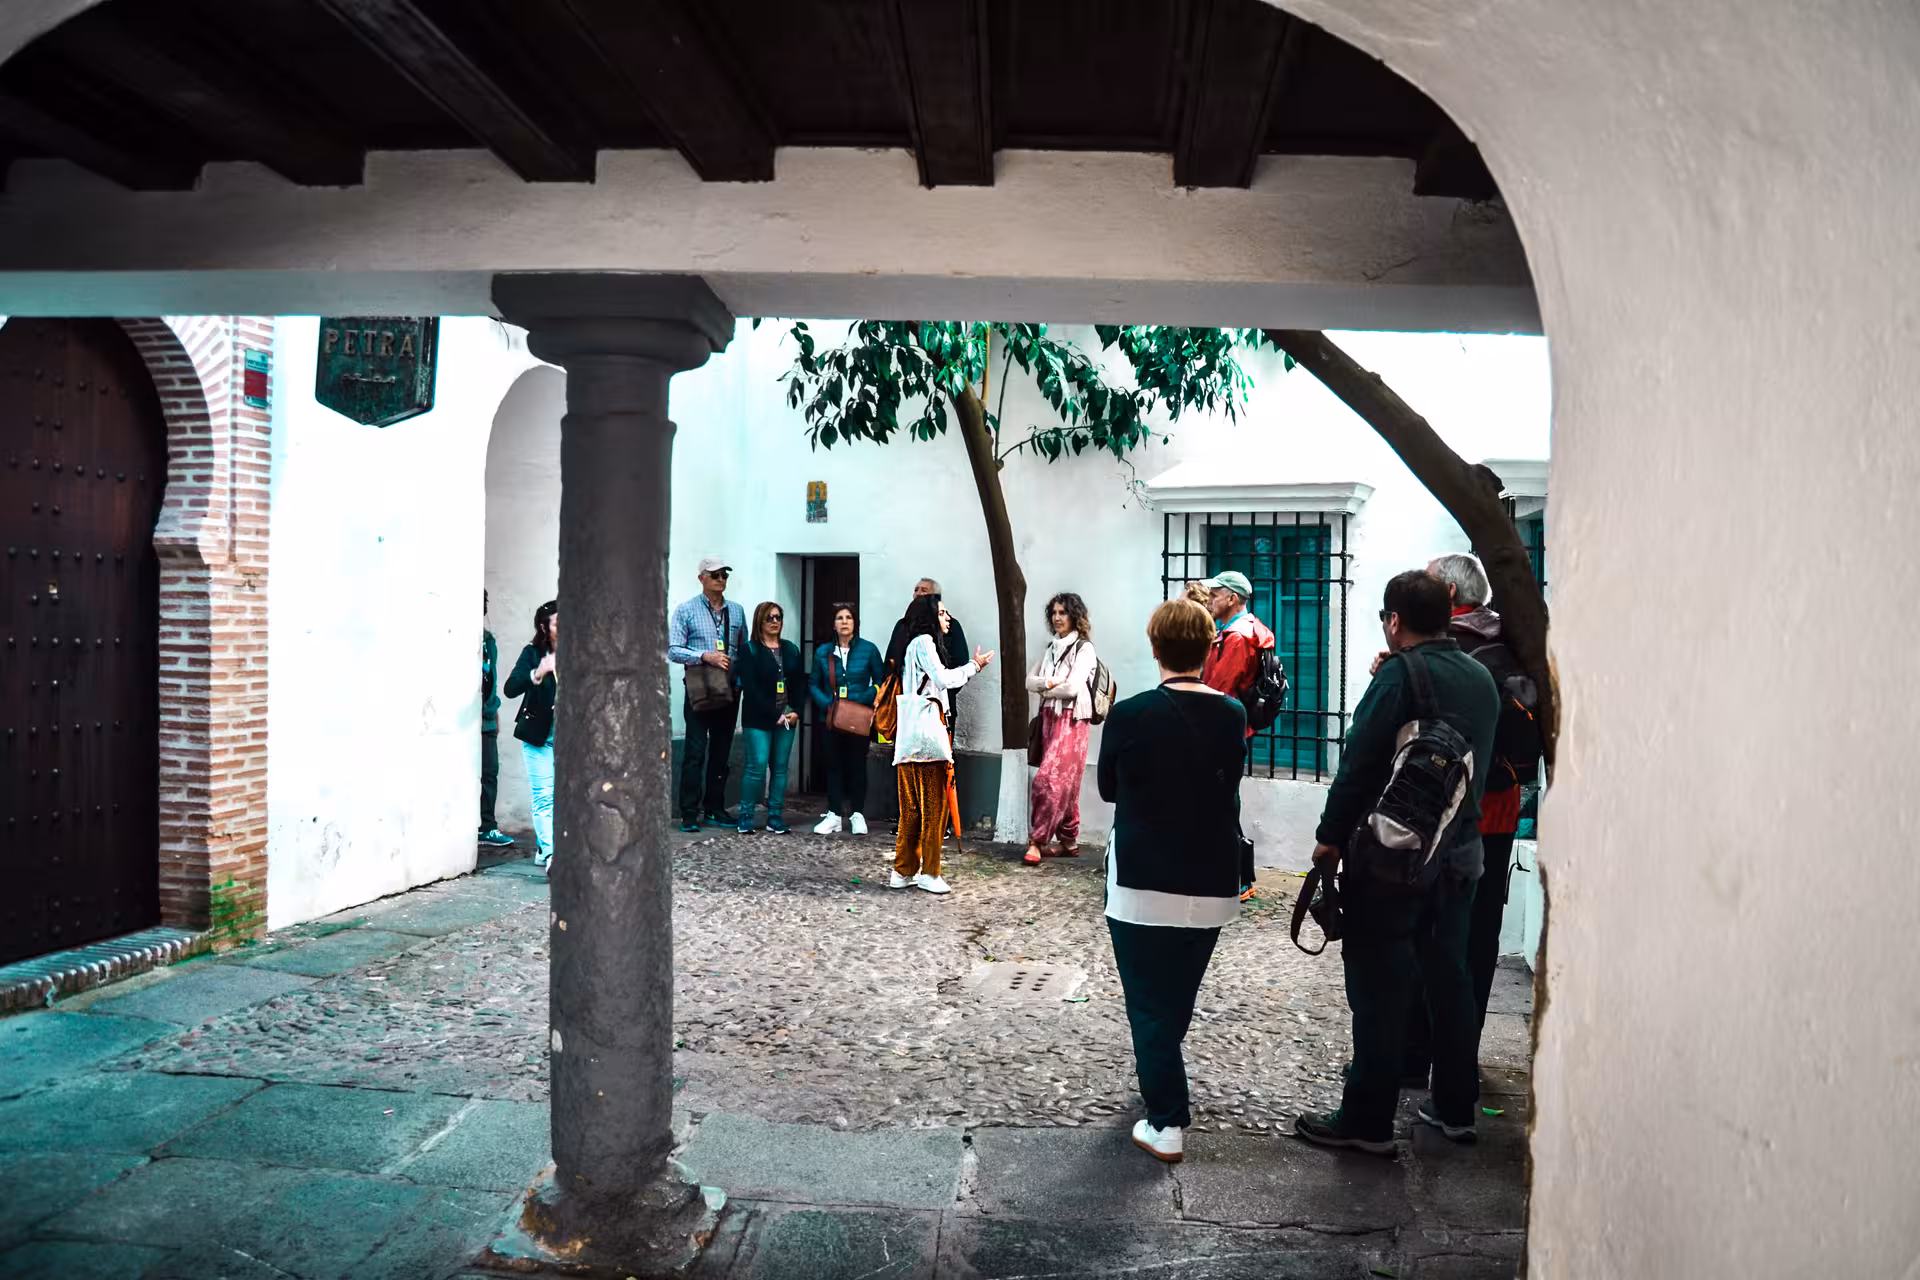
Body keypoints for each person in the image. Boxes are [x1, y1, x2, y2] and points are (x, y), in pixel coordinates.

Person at [1294, 571, 1499, 1156]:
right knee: (1448, 982)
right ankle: (1456, 1108)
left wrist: (1330, 837)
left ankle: (1366, 1120)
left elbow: (1360, 762)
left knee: (1380, 987)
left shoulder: (1400, 675)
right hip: (1459, 858)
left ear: (1394, 620)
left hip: (1393, 863)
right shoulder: (1481, 678)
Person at [1098, 598, 1248, 1164]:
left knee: (1148, 1003)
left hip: (1142, 879)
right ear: (1209, 649)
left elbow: (1110, 787)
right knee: (1174, 998)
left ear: (1154, 647)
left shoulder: (1132, 714)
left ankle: (1167, 1119)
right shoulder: (1232, 714)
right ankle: (1159, 1072)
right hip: (1211, 879)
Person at [1400, 553, 1544, 1079]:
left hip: (1442, 817)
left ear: (1448, 595)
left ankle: (1418, 1054)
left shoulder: (1445, 651)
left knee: (1429, 938)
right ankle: (1461, 1054)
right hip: (1500, 813)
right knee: (1479, 939)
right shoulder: (1512, 644)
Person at [891, 593, 993, 894]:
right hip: (928, 736)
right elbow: (945, 679)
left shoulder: (912, 646)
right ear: (930, 615)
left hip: (910, 736)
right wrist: (974, 666)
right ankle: (930, 871)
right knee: (934, 807)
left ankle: (903, 870)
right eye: (943, 612)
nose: (948, 618)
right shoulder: (925, 642)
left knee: (910, 807)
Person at [1200, 570, 1276, 901]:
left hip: (1223, 729)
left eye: (1215, 594)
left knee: (1222, 802)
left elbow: (1219, 688)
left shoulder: (1236, 638)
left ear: (1233, 598)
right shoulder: (1244, 630)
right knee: (1224, 800)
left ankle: (1238, 878)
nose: (1211, 600)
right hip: (1235, 727)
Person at [668, 557, 748, 834]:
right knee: (694, 752)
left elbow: (743, 649)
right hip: (700, 690)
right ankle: (689, 812)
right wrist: (705, 655)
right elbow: (674, 649)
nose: (721, 579)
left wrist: (739, 679)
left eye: (724, 574)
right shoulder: (686, 610)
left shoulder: (736, 612)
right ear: (701, 578)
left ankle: (715, 807)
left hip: (728, 691)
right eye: (715, 574)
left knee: (721, 752)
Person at [1023, 592, 1098, 866]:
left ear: (1074, 615)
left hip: (1073, 720)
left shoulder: (1084, 649)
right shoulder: (1051, 648)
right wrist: (1051, 683)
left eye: (1063, 612)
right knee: (1068, 783)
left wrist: (1048, 684)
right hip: (1049, 718)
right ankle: (1069, 840)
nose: (1057, 618)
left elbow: (1073, 687)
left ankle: (1037, 840)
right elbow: (1029, 682)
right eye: (1054, 612)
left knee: (1048, 780)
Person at [810, 602, 884, 836]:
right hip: (831, 718)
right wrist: (827, 704)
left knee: (856, 766)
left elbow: (881, 682)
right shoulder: (823, 652)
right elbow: (813, 684)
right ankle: (833, 814)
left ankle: (857, 814)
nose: (844, 622)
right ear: (833, 623)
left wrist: (865, 697)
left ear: (855, 623)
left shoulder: (869, 649)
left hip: (858, 717)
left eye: (849, 618)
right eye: (840, 618)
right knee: (833, 766)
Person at [736, 601, 804, 834]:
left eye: (778, 617)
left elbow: (799, 683)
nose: (775, 622)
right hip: (758, 718)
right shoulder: (750, 649)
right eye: (770, 618)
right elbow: (751, 689)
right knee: (757, 766)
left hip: (787, 717)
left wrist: (796, 710)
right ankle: (746, 816)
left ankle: (775, 816)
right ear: (760, 621)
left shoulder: (791, 649)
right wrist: (773, 714)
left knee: (780, 768)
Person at [504, 600, 559, 869]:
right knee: (544, 796)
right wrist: (538, 672)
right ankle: (551, 855)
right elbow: (511, 688)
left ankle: (544, 847)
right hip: (539, 737)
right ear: (544, 627)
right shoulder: (532, 652)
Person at [888, 578, 971, 741]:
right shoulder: (904, 626)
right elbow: (891, 661)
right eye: (916, 589)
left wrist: (944, 692)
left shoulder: (950, 626)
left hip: (939, 705)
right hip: (908, 705)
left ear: (935, 599)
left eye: (924, 590)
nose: (918, 593)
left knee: (940, 755)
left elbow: (959, 662)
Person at [478, 590, 514, 849]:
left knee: (490, 773)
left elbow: (492, 681)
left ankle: (487, 826)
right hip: (468, 721)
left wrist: (494, 710)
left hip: (487, 719)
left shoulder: (488, 641)